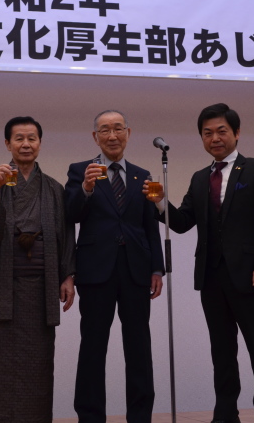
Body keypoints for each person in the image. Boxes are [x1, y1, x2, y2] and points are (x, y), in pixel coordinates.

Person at [145, 103, 254, 423]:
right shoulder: (199, 178)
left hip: (251, 276)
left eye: (221, 131)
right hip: (211, 277)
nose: (215, 138)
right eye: (207, 133)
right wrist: (159, 201)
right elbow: (181, 222)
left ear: (237, 133)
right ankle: (224, 415)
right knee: (221, 351)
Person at [0, 116, 76, 423]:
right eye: (19, 138)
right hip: (6, 287)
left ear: (40, 143)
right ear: (7, 144)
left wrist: (68, 275)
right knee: (2, 363)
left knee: (39, 363)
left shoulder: (53, 188)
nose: (26, 144)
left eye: (32, 138)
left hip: (41, 288)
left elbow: (66, 234)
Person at [65, 109, 165, 423]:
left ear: (128, 133)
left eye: (118, 129)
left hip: (136, 270)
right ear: (95, 137)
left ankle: (140, 416)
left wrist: (157, 268)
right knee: (93, 347)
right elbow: (69, 215)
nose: (112, 136)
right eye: (105, 130)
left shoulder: (141, 174)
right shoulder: (80, 170)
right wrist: (86, 189)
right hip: (96, 270)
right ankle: (90, 416)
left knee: (139, 347)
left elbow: (150, 225)